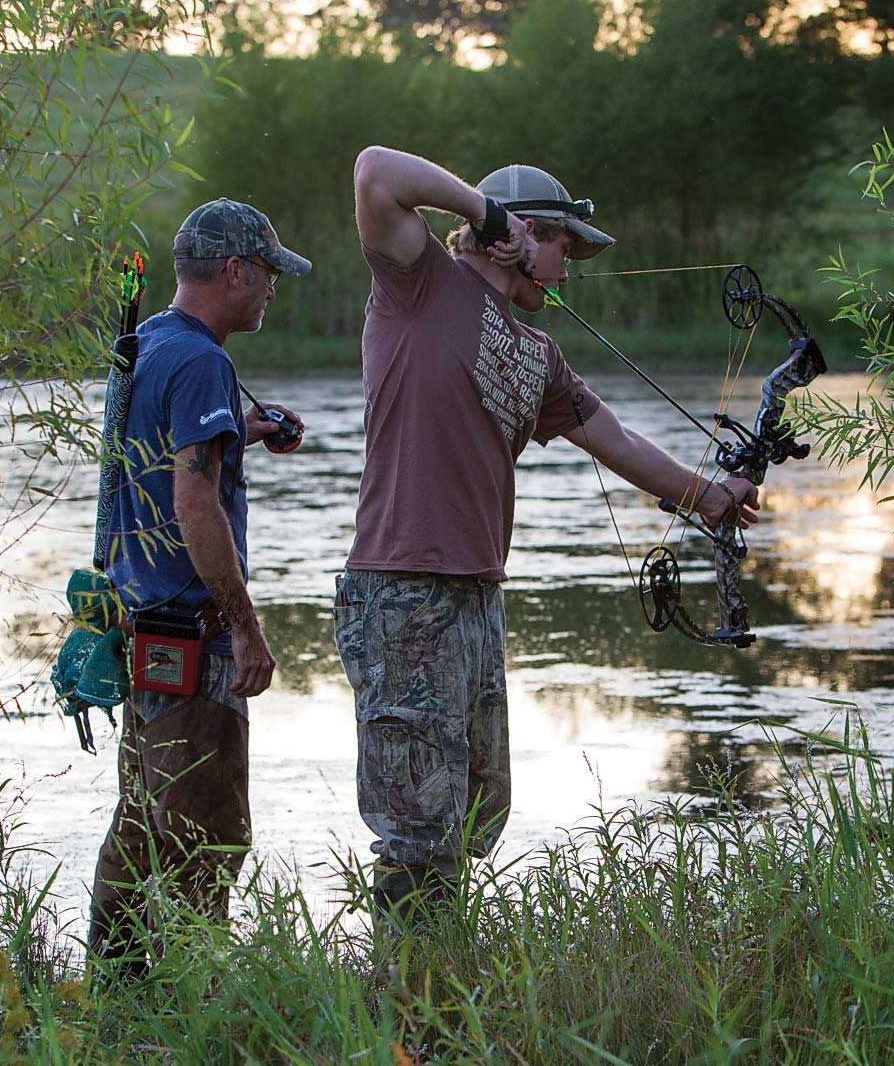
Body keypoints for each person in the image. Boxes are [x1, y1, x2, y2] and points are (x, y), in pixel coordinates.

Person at [335, 147, 760, 927]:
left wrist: (712, 497)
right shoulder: (417, 281)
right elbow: (376, 172)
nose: (569, 272)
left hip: (475, 597)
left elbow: (619, 440)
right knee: (417, 825)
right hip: (401, 591)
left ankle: (438, 991)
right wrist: (480, 214)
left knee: (474, 810)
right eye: (567, 249)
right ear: (527, 235)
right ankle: (402, 1019)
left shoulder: (540, 357)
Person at [88, 198, 310, 972]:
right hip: (191, 635)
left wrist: (238, 433)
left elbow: (157, 455)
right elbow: (192, 501)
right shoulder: (204, 360)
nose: (272, 291)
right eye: (268, 275)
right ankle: (195, 1007)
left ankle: (113, 997)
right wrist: (244, 625)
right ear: (235, 271)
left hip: (138, 628)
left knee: (142, 825)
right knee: (205, 838)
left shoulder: (146, 341)